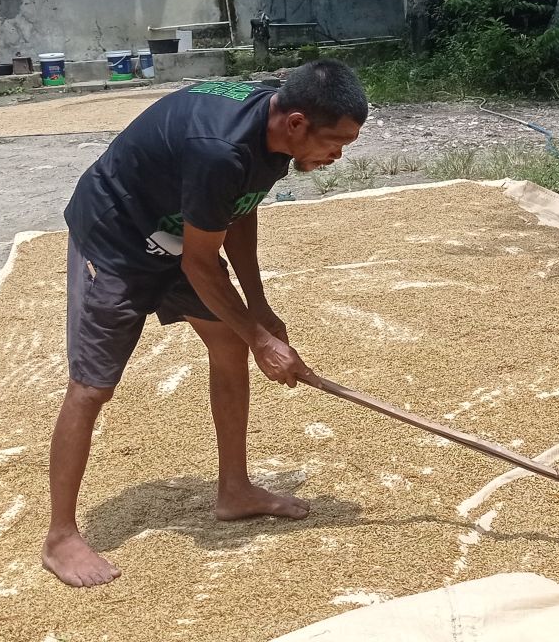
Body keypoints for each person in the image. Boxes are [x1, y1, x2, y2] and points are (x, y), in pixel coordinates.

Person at [42, 59, 367, 588]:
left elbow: (237, 208)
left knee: (227, 340)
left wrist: (257, 308)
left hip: (180, 232)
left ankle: (234, 491)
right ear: (298, 122)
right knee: (93, 386)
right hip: (116, 236)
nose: (338, 155)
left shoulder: (273, 129)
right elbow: (200, 260)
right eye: (337, 142)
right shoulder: (220, 148)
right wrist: (262, 340)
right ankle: (59, 537)